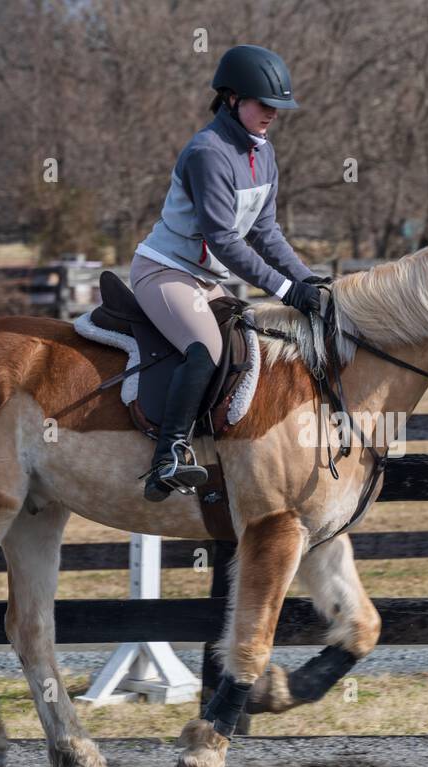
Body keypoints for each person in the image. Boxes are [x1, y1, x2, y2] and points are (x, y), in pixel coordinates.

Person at [131, 44, 325, 501]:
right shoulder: (208, 153)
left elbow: (265, 231)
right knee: (206, 351)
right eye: (265, 104)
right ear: (233, 99)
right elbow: (224, 240)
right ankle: (168, 456)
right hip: (166, 271)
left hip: (203, 278)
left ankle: (219, 454)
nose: (273, 114)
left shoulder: (264, 153)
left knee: (250, 349)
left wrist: (309, 279)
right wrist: (284, 288)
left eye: (279, 106)